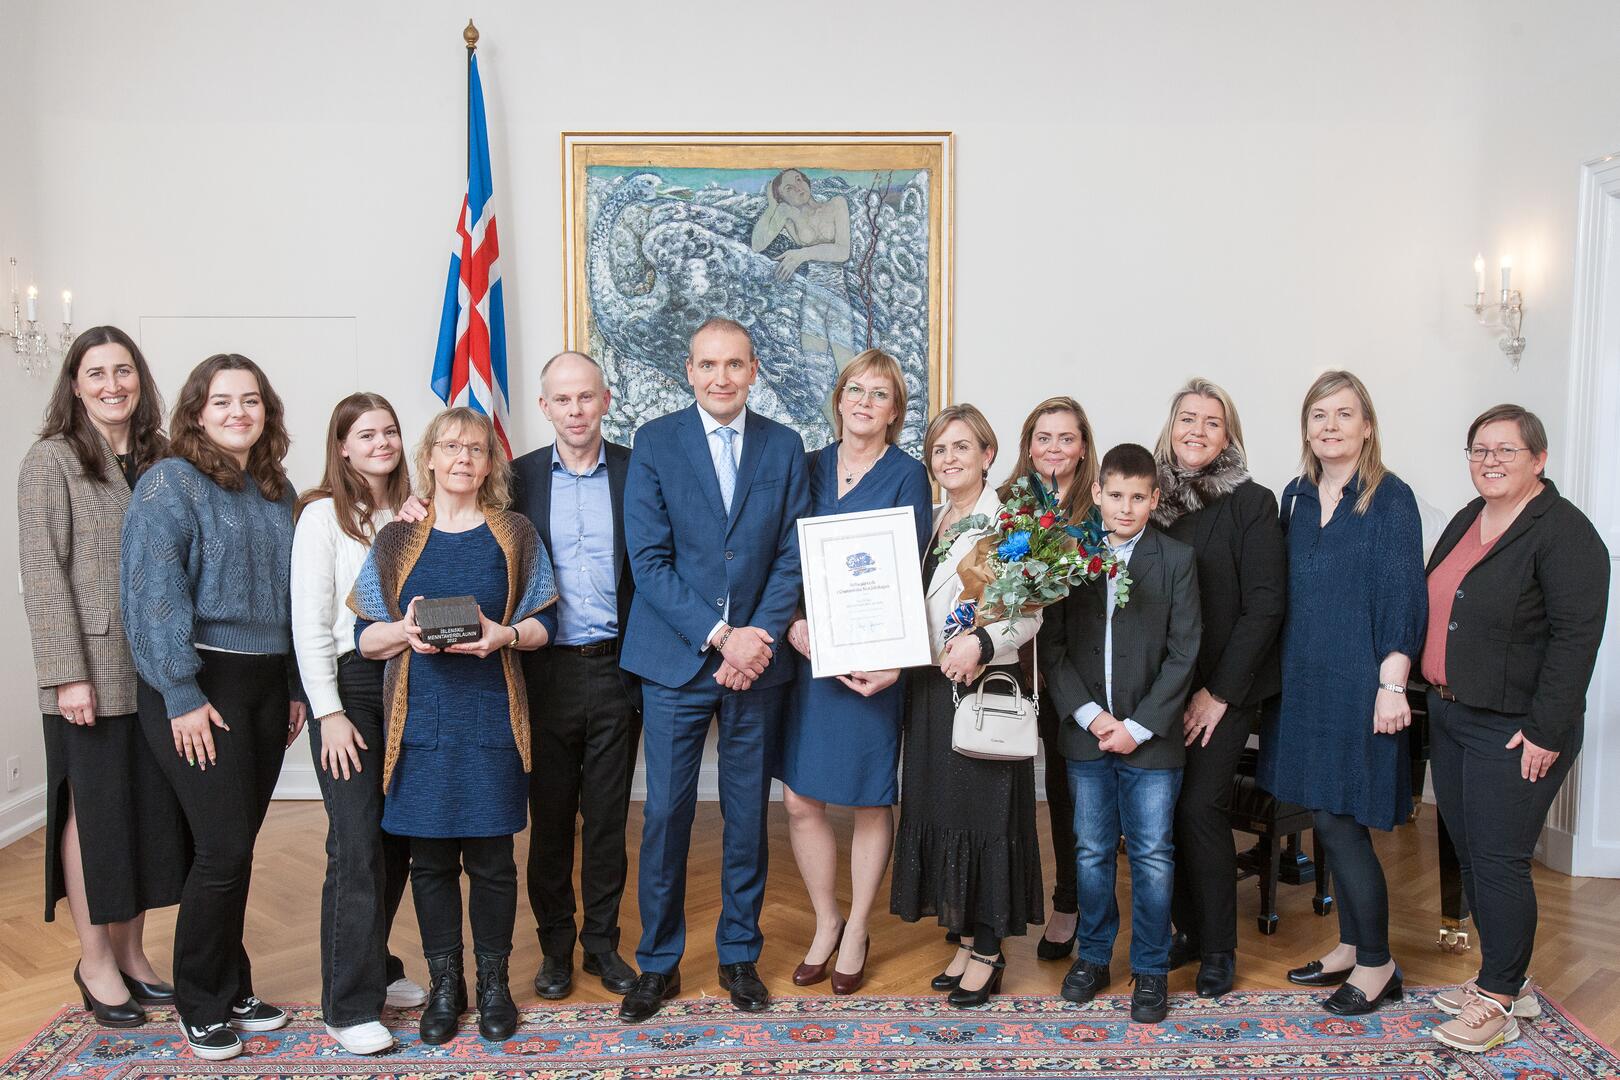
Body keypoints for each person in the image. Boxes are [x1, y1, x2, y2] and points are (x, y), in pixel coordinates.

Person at [617, 316, 811, 1023]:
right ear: (689, 371)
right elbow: (649, 561)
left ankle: (739, 954)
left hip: (756, 663)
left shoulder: (784, 446)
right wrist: (722, 636)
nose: (721, 377)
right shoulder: (655, 442)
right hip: (678, 659)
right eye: (708, 364)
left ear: (753, 370)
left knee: (746, 814)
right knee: (666, 815)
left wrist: (755, 639)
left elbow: (792, 552)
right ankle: (657, 963)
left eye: (734, 364)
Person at [350, 407, 557, 1045]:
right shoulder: (396, 539)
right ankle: (447, 986)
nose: (463, 457)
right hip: (418, 726)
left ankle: (494, 985)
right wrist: (403, 631)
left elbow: (546, 624)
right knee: (431, 863)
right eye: (450, 446)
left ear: (490, 463)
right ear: (430, 458)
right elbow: (365, 639)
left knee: (493, 862)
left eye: (476, 448)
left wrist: (504, 635)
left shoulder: (514, 533)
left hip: (492, 721)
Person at [121, 353, 307, 1061]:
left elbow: (293, 600)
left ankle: (232, 986)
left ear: (267, 410)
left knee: (236, 847)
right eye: (222, 401)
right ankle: (200, 1002)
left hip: (265, 685)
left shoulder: (276, 489)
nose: (238, 412)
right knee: (223, 848)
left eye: (250, 400)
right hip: (201, 684)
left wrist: (293, 686)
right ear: (197, 412)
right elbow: (153, 591)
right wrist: (181, 693)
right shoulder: (170, 482)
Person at [1422, 405, 1609, 1054]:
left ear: (1539, 458)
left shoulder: (1565, 534)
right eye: (1479, 449)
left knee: (1499, 860)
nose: (1490, 461)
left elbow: (1576, 640)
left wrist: (1545, 732)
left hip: (1515, 730)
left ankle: (1498, 1000)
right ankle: (1507, 978)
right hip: (1451, 713)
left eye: (1506, 449)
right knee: (1472, 853)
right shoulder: (1467, 519)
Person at [19, 326, 184, 1028]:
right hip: (90, 670)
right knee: (95, 814)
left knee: (146, 813)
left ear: (140, 379)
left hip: (159, 667)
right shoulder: (51, 459)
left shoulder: (164, 457)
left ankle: (133, 954)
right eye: (97, 373)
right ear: (75, 385)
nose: (112, 384)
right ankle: (94, 961)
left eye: (123, 370)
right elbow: (43, 574)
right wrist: (67, 677)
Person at [1259, 370, 1426, 1016]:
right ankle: (1352, 947)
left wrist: (1392, 685)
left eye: (1344, 414)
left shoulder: (1391, 499)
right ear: (1306, 429)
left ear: (1368, 426)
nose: (1330, 426)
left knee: (1340, 822)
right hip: (1303, 687)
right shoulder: (1296, 496)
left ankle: (1379, 963)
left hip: (1362, 686)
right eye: (1318, 415)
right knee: (1327, 819)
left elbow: (1404, 599)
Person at [777, 349, 931, 995]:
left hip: (874, 663)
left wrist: (889, 657)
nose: (865, 402)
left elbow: (910, 573)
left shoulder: (909, 475)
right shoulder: (806, 465)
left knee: (870, 797)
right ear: (838, 398)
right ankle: (826, 920)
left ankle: (860, 927)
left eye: (880, 394)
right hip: (809, 656)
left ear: (895, 412)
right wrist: (792, 625)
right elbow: (778, 554)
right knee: (799, 798)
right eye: (855, 390)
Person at [1039, 443, 1201, 1024]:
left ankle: (1151, 967)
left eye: (1137, 497)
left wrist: (1136, 726)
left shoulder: (1176, 560)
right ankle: (1093, 955)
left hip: (1150, 740)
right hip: (1088, 734)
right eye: (1115, 496)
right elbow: (1052, 645)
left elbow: (1184, 653)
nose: (1125, 508)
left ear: (1154, 499)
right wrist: (1090, 715)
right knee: (1091, 851)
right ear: (1097, 494)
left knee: (1153, 855)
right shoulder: (1068, 555)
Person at [891, 403, 1044, 1010]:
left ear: (988, 454)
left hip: (983, 686)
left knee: (983, 818)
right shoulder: (929, 521)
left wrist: (981, 642)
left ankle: (988, 950)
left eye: (961, 447)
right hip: (930, 687)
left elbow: (1028, 614)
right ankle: (960, 938)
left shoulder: (1008, 523)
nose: (949, 458)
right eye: (939, 449)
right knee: (942, 811)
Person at [291, 393, 423, 1055]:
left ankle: (377, 964)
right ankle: (346, 1006)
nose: (382, 443)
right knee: (355, 843)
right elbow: (311, 624)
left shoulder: (413, 512)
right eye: (366, 434)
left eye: (390, 431)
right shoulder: (321, 516)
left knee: (395, 840)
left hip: (411, 681)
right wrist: (330, 714)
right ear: (342, 446)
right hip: (351, 686)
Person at [1149, 378, 1286, 998]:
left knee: (1199, 808)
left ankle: (1219, 948)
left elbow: (1265, 606)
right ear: (1171, 426)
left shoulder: (1251, 502)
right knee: (1162, 809)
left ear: (1228, 435)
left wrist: (1219, 694)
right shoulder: (1149, 499)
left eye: (1211, 421)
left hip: (1224, 689)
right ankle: (1189, 930)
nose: (1197, 431)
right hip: (1159, 688)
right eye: (1188, 419)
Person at [514, 352, 641, 1001]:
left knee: (608, 820)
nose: (575, 410)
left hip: (619, 669)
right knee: (552, 820)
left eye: (586, 397)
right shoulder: (517, 478)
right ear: (545, 407)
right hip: (545, 672)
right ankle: (555, 949)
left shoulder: (637, 471)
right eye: (562, 399)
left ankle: (602, 945)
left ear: (606, 400)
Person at [996, 395, 1098, 962]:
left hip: (1072, 677)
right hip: (1008, 668)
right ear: (1028, 446)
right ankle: (995, 904)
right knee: (1003, 789)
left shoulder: (1100, 509)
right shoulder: (1004, 503)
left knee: (1064, 793)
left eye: (1066, 438)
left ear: (1083, 448)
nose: (1054, 448)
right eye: (1044, 437)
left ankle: (1069, 902)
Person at [750, 167, 858, 407]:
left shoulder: (836, 204)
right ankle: (837, 428)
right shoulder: (789, 216)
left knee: (849, 371)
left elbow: (842, 251)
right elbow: (757, 244)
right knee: (815, 375)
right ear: (783, 198)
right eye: (789, 188)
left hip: (837, 295)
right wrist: (772, 206)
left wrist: (802, 254)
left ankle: (855, 423)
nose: (798, 187)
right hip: (812, 297)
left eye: (799, 180)